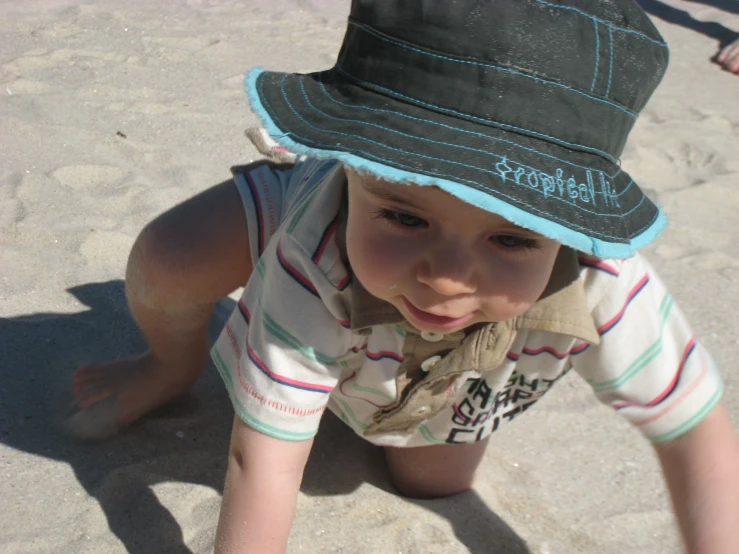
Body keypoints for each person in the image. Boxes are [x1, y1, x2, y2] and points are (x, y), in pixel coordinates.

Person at [66, 0, 739, 552]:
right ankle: (166, 366)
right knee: (170, 256)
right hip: (306, 226)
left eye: (509, 236)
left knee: (429, 479)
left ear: (568, 226)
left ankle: (377, 365)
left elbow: (693, 430)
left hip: (465, 355)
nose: (446, 279)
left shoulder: (605, 280)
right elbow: (260, 461)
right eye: (407, 219)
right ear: (353, 165)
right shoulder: (318, 243)